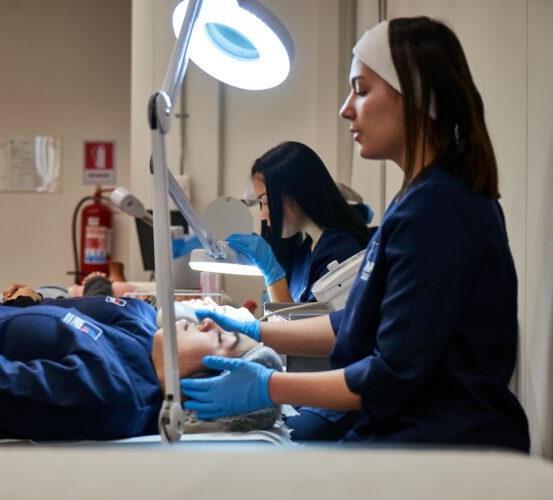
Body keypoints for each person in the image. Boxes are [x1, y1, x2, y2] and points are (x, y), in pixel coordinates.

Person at [181, 17, 530, 452]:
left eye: (362, 90)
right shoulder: (419, 200)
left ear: (415, 95)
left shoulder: (439, 210)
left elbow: (390, 374)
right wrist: (255, 329)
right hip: (418, 434)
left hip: (443, 445)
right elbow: (359, 323)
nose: (346, 108)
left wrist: (269, 386)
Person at [0, 278, 281, 440]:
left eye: (222, 340)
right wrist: (26, 303)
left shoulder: (111, 394)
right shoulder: (139, 329)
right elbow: (77, 305)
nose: (207, 324)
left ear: (207, 385)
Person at [230, 141, 372, 303]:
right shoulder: (305, 251)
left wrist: (272, 271)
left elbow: (298, 327)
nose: (262, 215)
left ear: (295, 193)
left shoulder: (339, 252)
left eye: (266, 202)